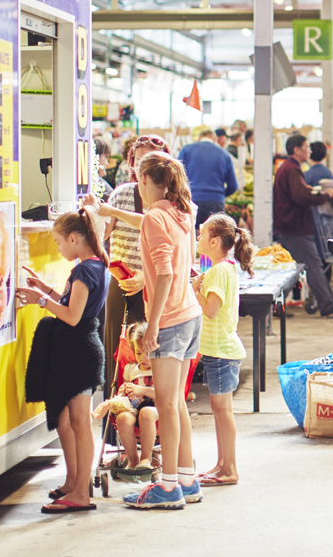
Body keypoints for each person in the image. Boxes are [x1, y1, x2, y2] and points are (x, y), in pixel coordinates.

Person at [122, 152, 204, 510]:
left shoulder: (155, 216)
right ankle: (187, 480)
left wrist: (151, 323)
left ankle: (168, 487)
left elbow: (166, 271)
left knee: (168, 406)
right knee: (176, 404)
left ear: (144, 181)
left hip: (169, 319)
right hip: (190, 314)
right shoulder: (184, 211)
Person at [18, 208, 109, 513]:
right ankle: (74, 483)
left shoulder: (84, 270)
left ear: (73, 238)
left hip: (78, 353)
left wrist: (39, 301)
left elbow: (71, 316)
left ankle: (81, 493)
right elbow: (74, 303)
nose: (58, 248)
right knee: (71, 422)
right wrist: (45, 289)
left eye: (58, 242)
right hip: (82, 350)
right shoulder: (96, 265)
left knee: (80, 424)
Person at [87, 134, 170, 391]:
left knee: (147, 349)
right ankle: (114, 413)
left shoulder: (171, 203)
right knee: (115, 347)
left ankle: (146, 411)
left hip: (154, 285)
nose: (140, 165)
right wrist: (90, 214)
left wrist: (145, 277)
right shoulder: (121, 194)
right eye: (136, 159)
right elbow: (104, 233)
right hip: (120, 282)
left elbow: (174, 252)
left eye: (147, 159)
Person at [192, 213, 255, 487]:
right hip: (219, 350)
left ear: (214, 240)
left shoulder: (218, 270)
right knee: (220, 410)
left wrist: (194, 289)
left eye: (202, 233)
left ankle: (229, 468)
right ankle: (222, 464)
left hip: (221, 351)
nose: (198, 237)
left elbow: (211, 310)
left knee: (222, 410)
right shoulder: (226, 266)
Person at [274, 134, 333, 317]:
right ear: (297, 149)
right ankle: (327, 305)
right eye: (306, 146)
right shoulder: (292, 169)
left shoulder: (287, 167)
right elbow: (301, 197)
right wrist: (325, 195)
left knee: (290, 270)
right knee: (313, 265)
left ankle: (275, 305)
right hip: (295, 227)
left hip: (286, 226)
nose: (309, 150)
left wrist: (308, 189)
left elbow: (299, 192)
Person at [103, 322, 158, 472]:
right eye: (139, 353)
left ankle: (146, 458)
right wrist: (123, 391)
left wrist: (142, 390)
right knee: (122, 418)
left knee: (146, 413)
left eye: (147, 354)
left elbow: (165, 394)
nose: (143, 358)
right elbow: (126, 393)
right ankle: (133, 459)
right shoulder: (130, 369)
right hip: (134, 406)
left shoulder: (160, 368)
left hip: (157, 407)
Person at [178, 129, 238, 229]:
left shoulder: (187, 149)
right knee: (215, 236)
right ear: (215, 139)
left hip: (191, 200)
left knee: (191, 236)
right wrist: (220, 194)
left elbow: (176, 175)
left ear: (199, 138)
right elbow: (233, 185)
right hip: (216, 202)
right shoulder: (224, 154)